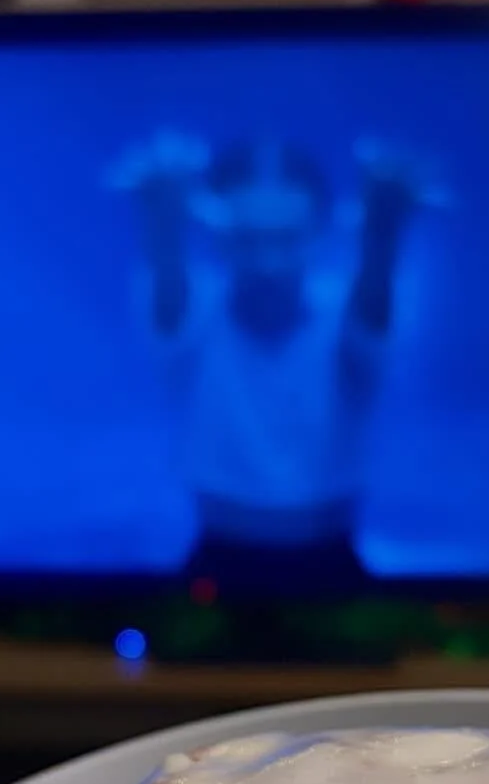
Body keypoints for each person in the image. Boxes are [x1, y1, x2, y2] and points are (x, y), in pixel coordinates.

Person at [109, 132, 444, 578]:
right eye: (249, 240)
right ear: (220, 238)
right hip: (220, 554)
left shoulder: (344, 309)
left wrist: (382, 235)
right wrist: (163, 224)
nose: (269, 263)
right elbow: (169, 301)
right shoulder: (197, 309)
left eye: (287, 240)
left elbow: (370, 322)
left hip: (330, 555)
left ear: (320, 235)